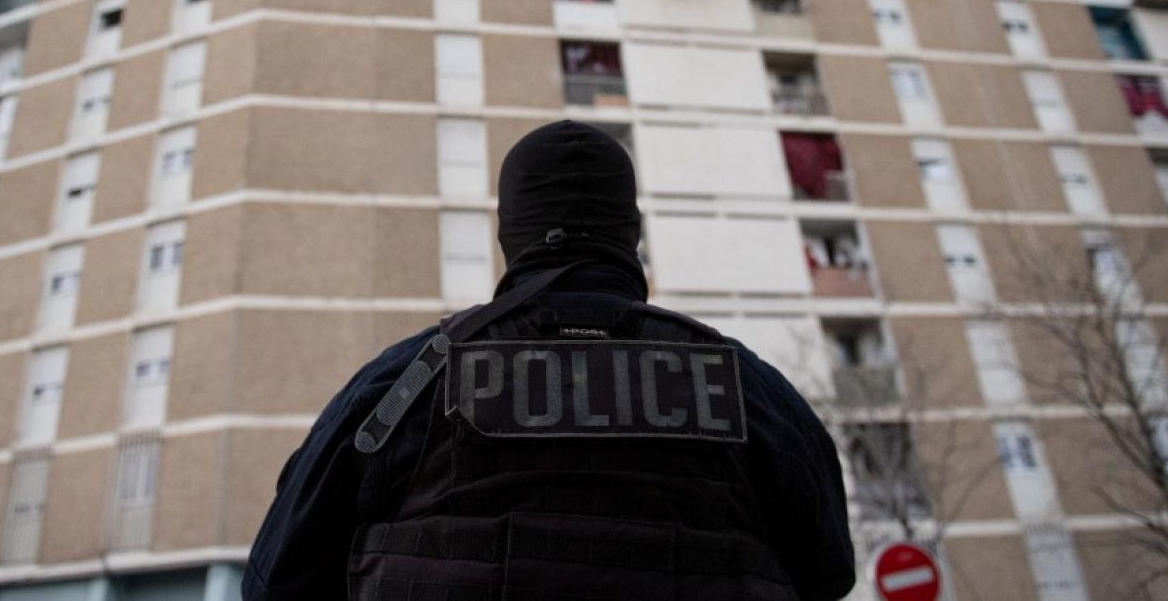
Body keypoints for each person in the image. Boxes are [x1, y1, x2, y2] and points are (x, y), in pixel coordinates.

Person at [243, 120, 855, 600]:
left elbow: (276, 582)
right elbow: (829, 571)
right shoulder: (748, 388)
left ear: (511, 235)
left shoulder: (403, 385)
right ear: (630, 234)